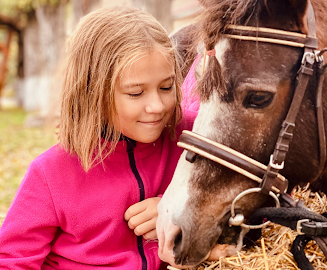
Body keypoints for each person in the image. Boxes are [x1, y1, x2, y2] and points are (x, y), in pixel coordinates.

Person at [0, 6, 197, 269]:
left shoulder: (192, 138)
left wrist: (178, 206)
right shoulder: (52, 173)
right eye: (136, 93)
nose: (157, 106)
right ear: (94, 93)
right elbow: (11, 260)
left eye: (166, 87)